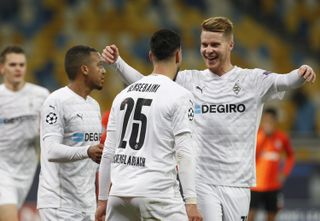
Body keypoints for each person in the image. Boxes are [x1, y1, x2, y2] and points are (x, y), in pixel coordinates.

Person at [101, 16, 316, 221]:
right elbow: (147, 85)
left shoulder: (252, 80)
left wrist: (301, 73)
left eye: (215, 44)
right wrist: (118, 63)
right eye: (204, 44)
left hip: (238, 183)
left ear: (230, 44)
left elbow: (285, 81)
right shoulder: (188, 79)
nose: (208, 50)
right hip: (201, 182)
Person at [96, 29, 202, 221]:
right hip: (158, 195)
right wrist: (191, 202)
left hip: (118, 195)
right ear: (179, 55)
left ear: (151, 56)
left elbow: (108, 152)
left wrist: (102, 200)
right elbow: (184, 152)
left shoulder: (122, 96)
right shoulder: (180, 95)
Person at [37, 45, 105, 221]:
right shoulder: (55, 102)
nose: (103, 71)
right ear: (84, 69)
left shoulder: (94, 106)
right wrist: (87, 151)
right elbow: (51, 150)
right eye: (99, 65)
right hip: (59, 204)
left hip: (86, 203)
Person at [0, 46, 49, 221]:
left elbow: (52, 129)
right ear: (2, 68)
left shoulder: (41, 95)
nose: (18, 68)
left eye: (22, 64)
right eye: (13, 64)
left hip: (28, 169)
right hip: (3, 169)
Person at [248, 107, 295, 221]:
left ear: (275, 121)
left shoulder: (282, 137)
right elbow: (252, 155)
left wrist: (285, 172)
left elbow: (291, 156)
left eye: (270, 121)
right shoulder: (256, 136)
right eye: (265, 121)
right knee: (250, 216)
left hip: (273, 186)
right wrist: (263, 137)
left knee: (271, 217)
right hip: (255, 186)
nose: (267, 124)